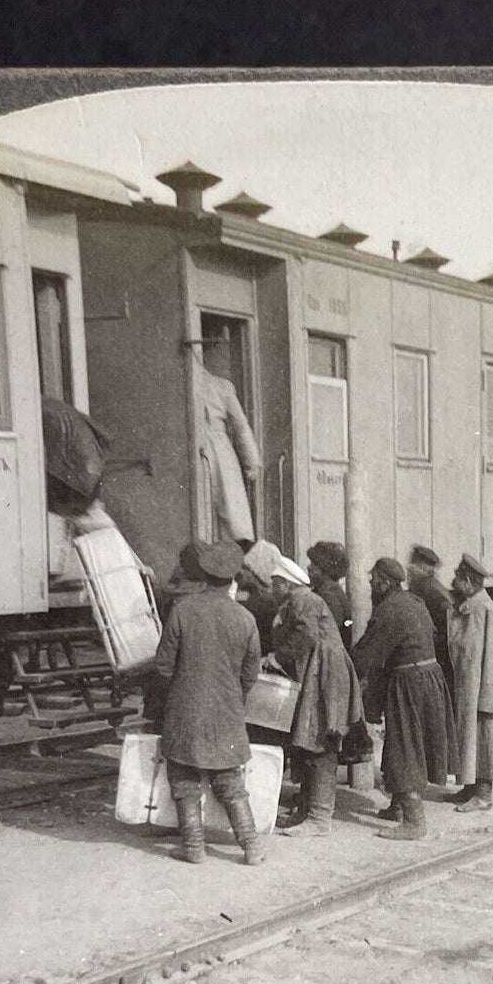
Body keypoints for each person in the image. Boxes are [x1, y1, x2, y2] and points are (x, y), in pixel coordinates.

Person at [151, 540, 265, 865]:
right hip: (227, 712)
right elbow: (250, 674)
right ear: (233, 579)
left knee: (185, 780)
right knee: (230, 781)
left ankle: (193, 847)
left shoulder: (182, 610)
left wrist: (180, 691)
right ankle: (251, 846)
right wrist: (232, 698)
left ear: (204, 575)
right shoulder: (245, 619)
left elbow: (162, 666)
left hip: (185, 711)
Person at [353, 556, 457, 841]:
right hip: (428, 679)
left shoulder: (389, 610)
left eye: (374, 579)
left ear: (385, 582)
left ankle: (414, 821)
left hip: (409, 683)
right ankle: (399, 806)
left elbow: (366, 655)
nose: (371, 584)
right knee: (405, 741)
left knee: (405, 745)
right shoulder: (413, 601)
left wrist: (347, 666)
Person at [267, 553, 364, 837]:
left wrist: (278, 658)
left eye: (276, 583)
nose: (273, 589)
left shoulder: (303, 599)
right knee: (309, 739)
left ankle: (320, 819)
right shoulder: (298, 601)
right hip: (318, 671)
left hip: (326, 673)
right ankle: (306, 811)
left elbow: (306, 636)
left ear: (287, 584)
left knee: (321, 739)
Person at [446, 553, 493, 811]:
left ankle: (483, 795)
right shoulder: (470, 607)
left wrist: (490, 696)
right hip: (467, 688)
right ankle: (469, 788)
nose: (452, 582)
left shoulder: (487, 611)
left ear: (467, 581)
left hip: (482, 690)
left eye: (456, 578)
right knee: (468, 737)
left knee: (484, 739)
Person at [193, 345, 260, 546]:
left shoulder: (191, 385)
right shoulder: (221, 386)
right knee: (229, 510)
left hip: (200, 448)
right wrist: (252, 464)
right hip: (220, 450)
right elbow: (241, 426)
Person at [406, 543, 455, 693]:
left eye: (411, 569)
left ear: (422, 569)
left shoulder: (430, 591)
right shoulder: (430, 587)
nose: (408, 573)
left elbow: (446, 631)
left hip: (438, 660)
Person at [306, 540, 354, 651]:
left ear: (326, 570)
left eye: (315, 564)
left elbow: (318, 639)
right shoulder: (327, 593)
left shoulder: (330, 599)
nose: (309, 567)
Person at [236, 539, 281, 655]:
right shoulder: (264, 597)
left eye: (245, 567)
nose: (238, 572)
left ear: (256, 572)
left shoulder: (263, 601)